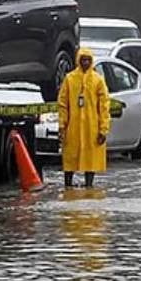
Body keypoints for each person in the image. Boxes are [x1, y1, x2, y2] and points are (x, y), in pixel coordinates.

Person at [58, 48, 110, 188]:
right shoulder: (70, 79)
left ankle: (89, 186)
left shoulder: (98, 80)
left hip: (91, 127)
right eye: (83, 60)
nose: (86, 62)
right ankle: (67, 186)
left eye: (88, 60)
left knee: (90, 159)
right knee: (70, 158)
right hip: (73, 127)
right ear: (78, 61)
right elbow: (63, 104)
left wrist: (103, 129)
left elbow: (104, 106)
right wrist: (62, 125)